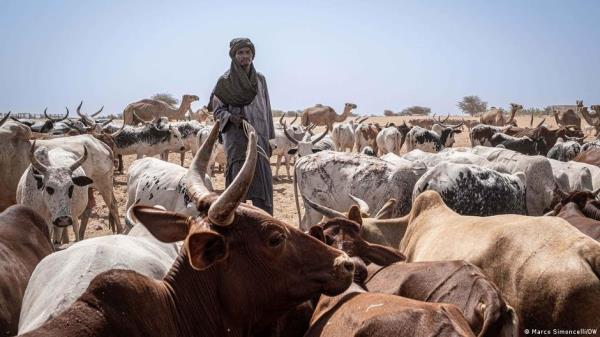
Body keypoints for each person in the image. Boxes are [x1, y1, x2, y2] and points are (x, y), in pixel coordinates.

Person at [209, 38, 275, 214]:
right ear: (233, 56)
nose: (245, 56)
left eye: (248, 52)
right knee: (237, 188)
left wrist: (269, 139)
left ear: (253, 55)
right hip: (237, 139)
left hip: (260, 139)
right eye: (240, 53)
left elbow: (266, 109)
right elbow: (217, 111)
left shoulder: (261, 80)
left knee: (264, 187)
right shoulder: (225, 82)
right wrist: (232, 118)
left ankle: (266, 224)